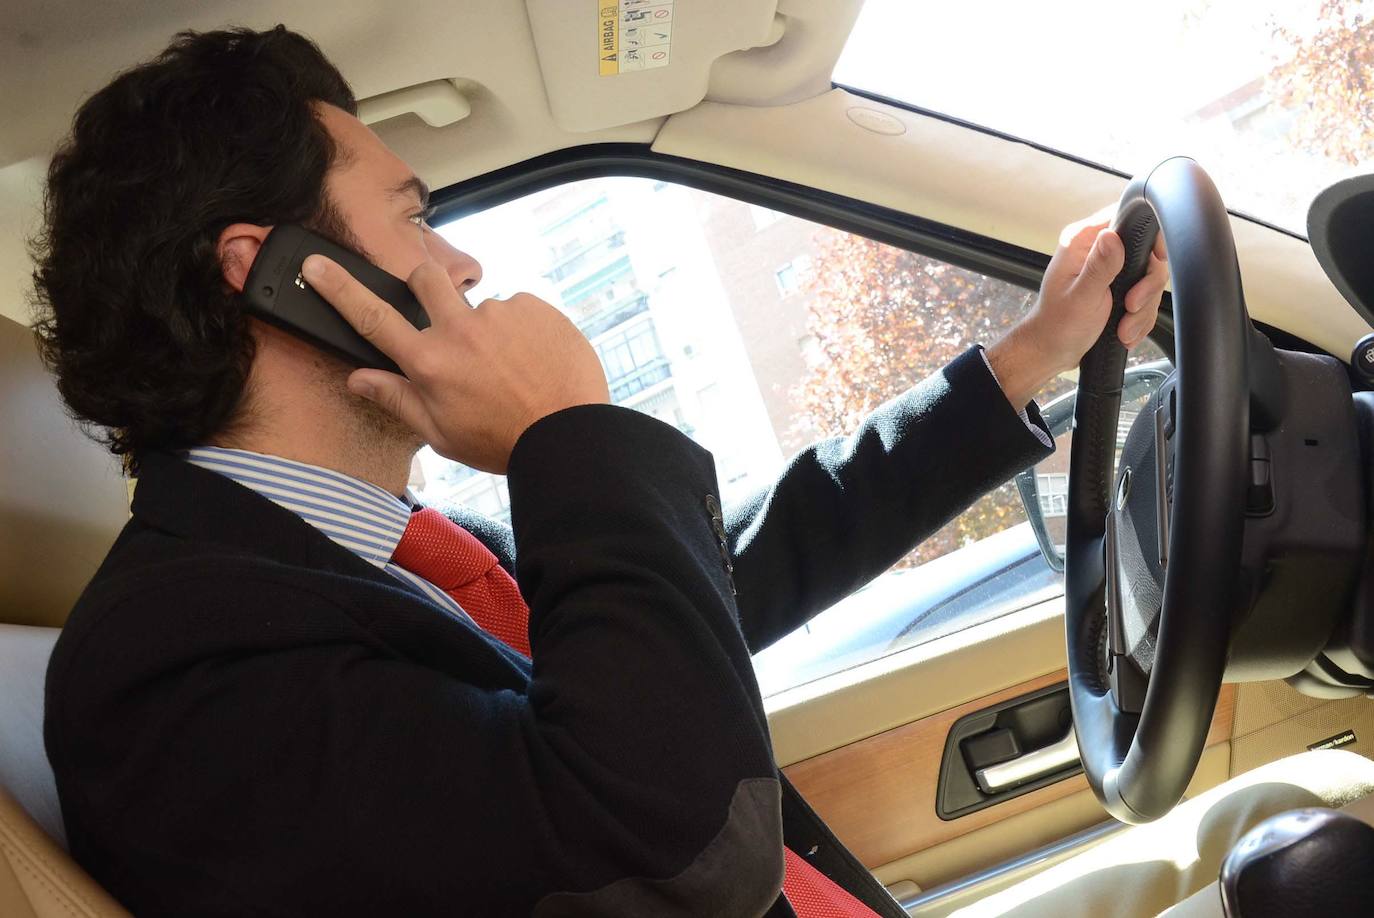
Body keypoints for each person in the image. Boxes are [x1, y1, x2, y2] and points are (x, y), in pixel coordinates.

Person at [30, 25, 1166, 918]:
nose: (462, 261)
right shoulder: (165, 674)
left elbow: (709, 577)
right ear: (271, 273)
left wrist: (1024, 361)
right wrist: (560, 429)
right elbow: (670, 864)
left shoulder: (374, 552)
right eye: (414, 219)